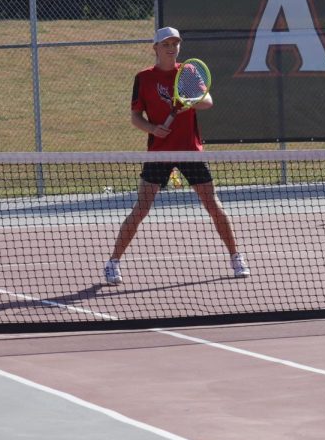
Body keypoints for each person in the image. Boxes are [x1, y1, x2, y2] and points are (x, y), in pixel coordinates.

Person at [104, 27, 250, 284]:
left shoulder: (188, 72)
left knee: (213, 206)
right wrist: (152, 129)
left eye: (175, 43)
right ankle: (113, 262)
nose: (172, 48)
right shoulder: (143, 78)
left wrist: (187, 103)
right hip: (159, 153)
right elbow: (135, 117)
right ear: (156, 48)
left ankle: (236, 257)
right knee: (140, 209)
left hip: (189, 150)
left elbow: (208, 102)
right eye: (166, 44)